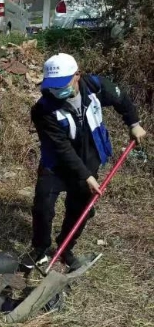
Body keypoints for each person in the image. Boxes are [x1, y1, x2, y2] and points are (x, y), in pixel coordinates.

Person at [23, 53, 146, 270]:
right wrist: (86, 176)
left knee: (79, 208)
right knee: (43, 206)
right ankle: (40, 249)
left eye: (62, 83)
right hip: (56, 163)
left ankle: (65, 247)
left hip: (90, 157)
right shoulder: (42, 109)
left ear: (77, 75)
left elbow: (121, 99)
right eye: (52, 85)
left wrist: (133, 123)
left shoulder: (96, 87)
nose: (56, 90)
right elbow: (62, 148)